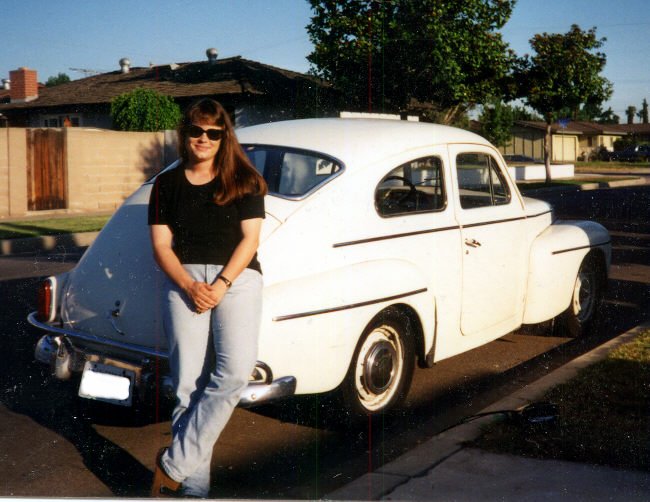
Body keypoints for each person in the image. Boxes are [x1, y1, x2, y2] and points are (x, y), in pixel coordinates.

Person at [148, 98, 267, 498]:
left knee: (233, 374)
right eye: (197, 131)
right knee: (187, 385)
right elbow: (162, 245)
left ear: (223, 137)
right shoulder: (166, 184)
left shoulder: (245, 179)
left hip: (236, 279)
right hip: (184, 282)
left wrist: (220, 284)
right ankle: (193, 490)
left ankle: (173, 465)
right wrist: (188, 285)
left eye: (213, 133)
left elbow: (250, 240)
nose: (204, 138)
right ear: (186, 134)